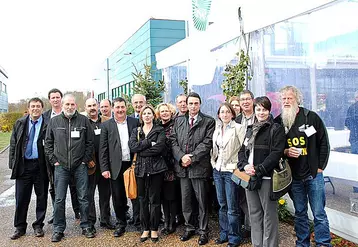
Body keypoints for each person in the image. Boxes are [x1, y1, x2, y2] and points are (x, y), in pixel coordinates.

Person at [275, 85, 331, 247]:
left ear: (297, 99)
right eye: (284, 98)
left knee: (319, 213)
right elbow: (275, 149)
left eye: (289, 98)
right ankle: (302, 243)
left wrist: (320, 167)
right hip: (293, 177)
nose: (286, 101)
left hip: (313, 174)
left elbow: (323, 143)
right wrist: (285, 151)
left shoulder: (311, 118)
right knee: (300, 213)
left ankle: (323, 243)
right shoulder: (279, 121)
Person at [45, 94, 95, 242]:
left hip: (80, 166)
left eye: (72, 104)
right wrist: (54, 160)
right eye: (67, 104)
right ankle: (58, 229)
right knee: (59, 199)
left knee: (83, 198)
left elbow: (90, 142)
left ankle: (86, 226)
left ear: (76, 105)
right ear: (63, 104)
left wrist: (85, 160)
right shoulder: (54, 122)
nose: (70, 107)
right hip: (61, 167)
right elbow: (48, 144)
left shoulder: (83, 120)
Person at [238, 96, 285, 247]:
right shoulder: (251, 129)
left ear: (269, 110)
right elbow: (242, 151)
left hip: (266, 178)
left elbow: (276, 153)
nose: (261, 112)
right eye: (258, 109)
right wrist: (244, 165)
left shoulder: (275, 128)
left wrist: (259, 169)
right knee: (255, 214)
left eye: (264, 109)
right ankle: (257, 244)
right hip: (250, 177)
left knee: (269, 216)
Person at [171, 92, 215, 245]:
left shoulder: (208, 121)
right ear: (186, 105)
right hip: (183, 168)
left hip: (199, 168)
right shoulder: (179, 121)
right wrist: (181, 156)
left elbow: (207, 143)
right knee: (186, 201)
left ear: (200, 104)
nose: (193, 106)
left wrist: (192, 158)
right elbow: (173, 141)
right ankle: (189, 228)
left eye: (196, 103)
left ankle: (203, 231)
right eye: (190, 103)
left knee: (202, 201)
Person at [9, 98, 50, 240]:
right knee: (21, 197)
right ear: (28, 108)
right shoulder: (20, 123)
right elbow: (13, 144)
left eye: (38, 106)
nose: (35, 109)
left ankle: (38, 225)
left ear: (42, 108)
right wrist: (12, 164)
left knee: (42, 197)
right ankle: (20, 227)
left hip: (41, 166)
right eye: (33, 106)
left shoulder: (47, 124)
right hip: (23, 166)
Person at [99, 97, 140, 237]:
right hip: (115, 166)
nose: (120, 110)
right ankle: (121, 224)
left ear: (126, 107)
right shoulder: (106, 126)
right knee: (118, 196)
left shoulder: (135, 122)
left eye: (122, 107)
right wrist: (104, 168)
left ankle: (139, 222)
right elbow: (103, 149)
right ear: (113, 108)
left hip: (133, 164)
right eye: (117, 107)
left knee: (136, 194)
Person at [129, 105, 167, 243]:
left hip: (156, 170)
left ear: (153, 115)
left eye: (149, 113)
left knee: (155, 200)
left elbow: (159, 148)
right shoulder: (136, 131)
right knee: (142, 200)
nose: (147, 115)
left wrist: (141, 151)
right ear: (141, 116)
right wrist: (148, 143)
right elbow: (132, 147)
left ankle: (154, 229)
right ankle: (145, 228)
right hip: (140, 170)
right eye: (144, 113)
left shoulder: (159, 130)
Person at [43, 88, 80, 224]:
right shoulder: (47, 117)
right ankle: (57, 216)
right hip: (57, 161)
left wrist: (83, 160)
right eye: (53, 97)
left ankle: (78, 212)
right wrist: (54, 160)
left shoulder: (78, 118)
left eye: (57, 97)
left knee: (75, 188)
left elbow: (87, 142)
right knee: (57, 191)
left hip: (75, 161)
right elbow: (47, 141)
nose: (55, 99)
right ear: (50, 100)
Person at [211, 103, 245, 247]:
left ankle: (234, 237)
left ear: (232, 114)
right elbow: (214, 149)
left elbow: (244, 148)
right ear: (219, 115)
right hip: (218, 170)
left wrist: (239, 166)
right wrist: (213, 163)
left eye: (227, 112)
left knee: (232, 206)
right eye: (222, 112)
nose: (225, 114)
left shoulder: (238, 128)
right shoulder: (217, 129)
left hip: (231, 170)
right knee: (222, 204)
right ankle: (224, 234)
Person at [84, 98, 114, 232]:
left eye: (94, 105)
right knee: (89, 194)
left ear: (98, 106)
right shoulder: (83, 122)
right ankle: (90, 221)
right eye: (89, 106)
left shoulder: (107, 121)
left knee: (105, 193)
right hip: (90, 164)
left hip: (105, 164)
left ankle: (105, 219)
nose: (92, 108)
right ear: (86, 107)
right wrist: (87, 159)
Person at [235, 90, 255, 239]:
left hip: (256, 164)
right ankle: (248, 227)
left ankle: (255, 228)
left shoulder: (260, 116)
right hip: (241, 164)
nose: (245, 102)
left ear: (253, 100)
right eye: (243, 100)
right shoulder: (237, 119)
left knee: (254, 198)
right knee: (242, 198)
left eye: (248, 99)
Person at [156, 103, 177, 235]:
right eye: (162, 111)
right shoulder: (157, 127)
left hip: (172, 166)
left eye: (167, 111)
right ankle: (166, 222)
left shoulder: (175, 126)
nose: (164, 113)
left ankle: (172, 222)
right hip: (159, 166)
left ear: (171, 112)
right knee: (163, 196)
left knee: (171, 196)